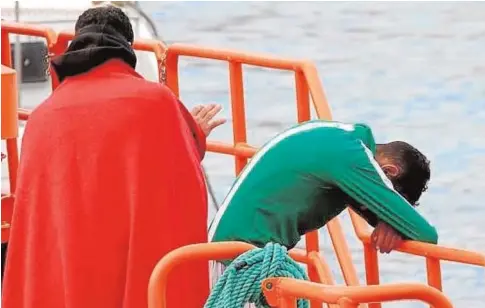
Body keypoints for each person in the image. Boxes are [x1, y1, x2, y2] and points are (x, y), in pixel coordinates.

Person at [2, 5, 224, 308]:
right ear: (127, 50)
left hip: (66, 271)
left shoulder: (42, 118)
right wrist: (192, 134)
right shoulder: (156, 102)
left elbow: (33, 217)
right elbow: (174, 176)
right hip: (130, 269)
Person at [209, 120, 437, 286]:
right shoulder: (351, 158)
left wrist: (390, 220)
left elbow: (374, 206)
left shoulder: (339, 137)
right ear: (388, 171)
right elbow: (426, 234)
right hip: (236, 262)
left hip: (229, 252)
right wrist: (395, 218)